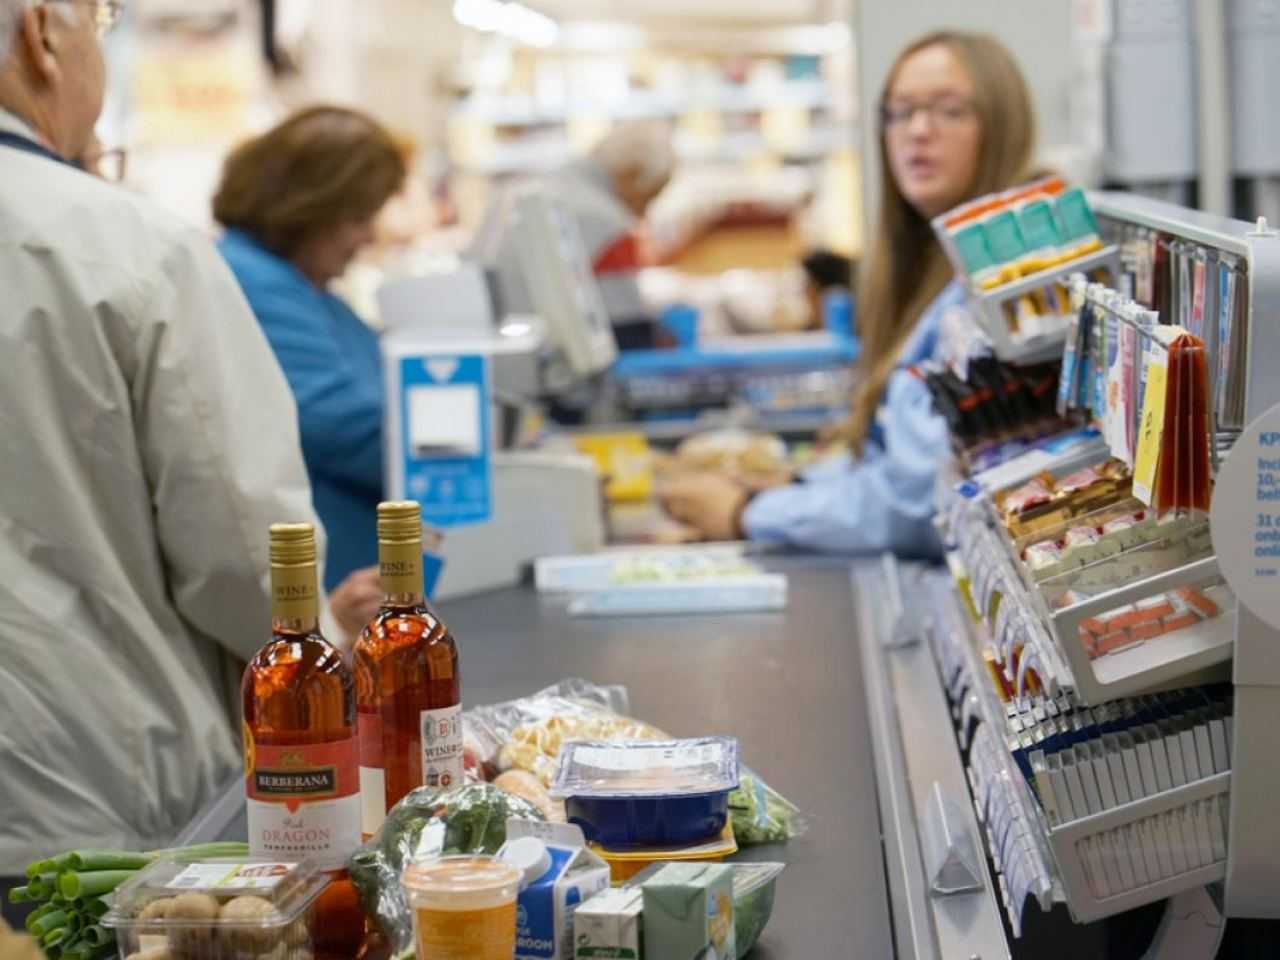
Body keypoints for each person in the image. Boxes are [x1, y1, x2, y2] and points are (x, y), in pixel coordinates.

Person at [0, 0, 361, 910]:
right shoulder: (124, 246)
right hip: (85, 810)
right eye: (102, 24)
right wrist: (331, 656)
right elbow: (245, 552)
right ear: (45, 35)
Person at [662, 31, 1036, 555]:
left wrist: (749, 513)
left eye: (950, 111)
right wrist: (796, 489)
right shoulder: (933, 271)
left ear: (1002, 127)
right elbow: (894, 467)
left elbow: (918, 503)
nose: (919, 131)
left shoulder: (1004, 283)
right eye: (900, 113)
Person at [213, 107, 407, 592]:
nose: (368, 237)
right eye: (359, 217)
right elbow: (338, 425)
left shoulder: (303, 282)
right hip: (331, 583)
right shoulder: (254, 286)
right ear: (310, 205)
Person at [471, 119, 676, 349]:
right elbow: (629, 330)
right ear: (633, 176)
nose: (644, 214)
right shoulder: (606, 218)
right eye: (651, 196)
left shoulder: (516, 192)